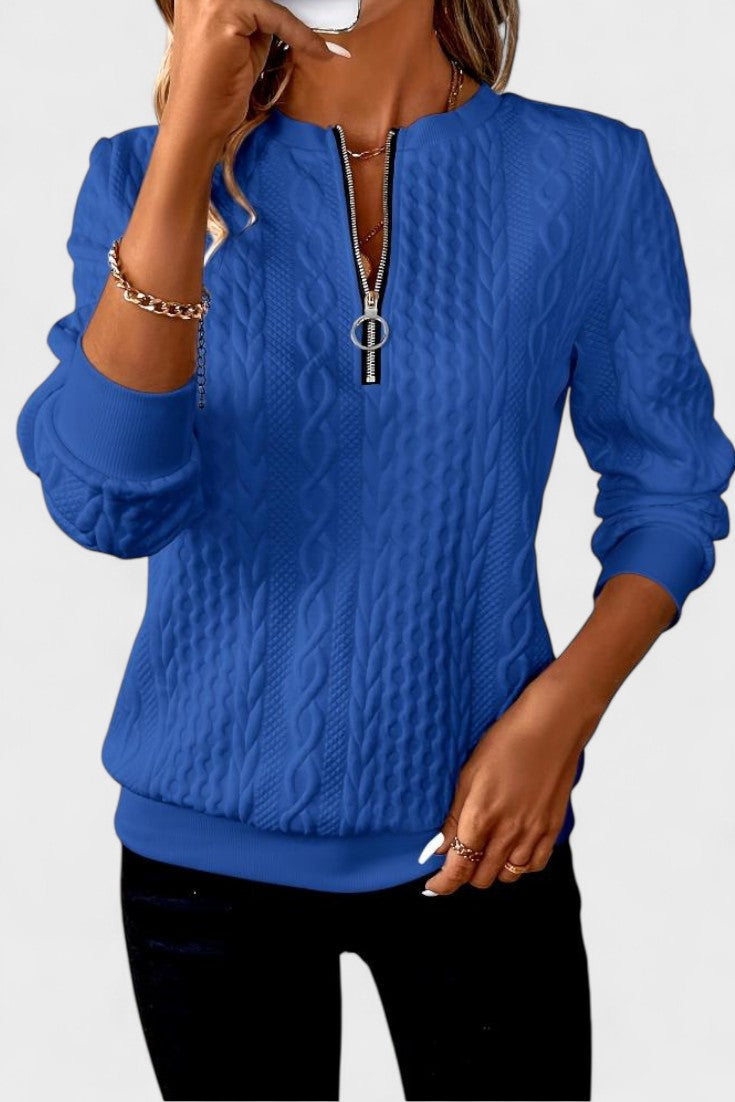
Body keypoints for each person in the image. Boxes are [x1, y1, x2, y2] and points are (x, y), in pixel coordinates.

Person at [15, 1, 735, 1099]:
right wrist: (186, 149)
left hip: (485, 831)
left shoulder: (587, 173)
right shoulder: (139, 176)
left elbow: (669, 485)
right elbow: (109, 504)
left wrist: (559, 716)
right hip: (201, 858)